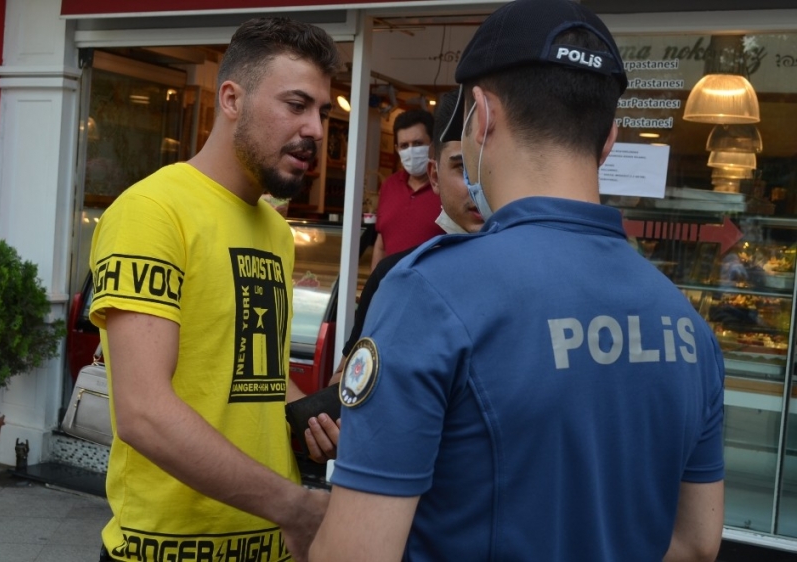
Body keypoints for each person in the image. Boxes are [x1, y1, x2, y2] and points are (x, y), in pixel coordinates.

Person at [310, 1, 725, 560]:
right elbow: (697, 543)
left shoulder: (428, 294)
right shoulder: (686, 323)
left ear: (480, 116)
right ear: (608, 140)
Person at [89, 17, 342, 562]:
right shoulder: (152, 211)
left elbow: (252, 375)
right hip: (164, 551)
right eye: (296, 105)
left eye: (321, 111)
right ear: (231, 98)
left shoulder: (276, 230)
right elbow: (143, 412)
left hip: (273, 545)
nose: (316, 129)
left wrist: (311, 410)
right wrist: (294, 507)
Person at [325, 89, 483, 387]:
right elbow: (346, 381)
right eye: (461, 167)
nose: (475, 186)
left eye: (417, 144)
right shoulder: (388, 274)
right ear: (437, 176)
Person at [371, 109, 444, 270]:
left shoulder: (449, 187)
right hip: (392, 290)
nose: (411, 151)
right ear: (397, 149)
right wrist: (374, 289)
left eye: (417, 144)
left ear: (433, 144)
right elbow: (381, 244)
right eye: (404, 145)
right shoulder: (389, 186)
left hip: (433, 291)